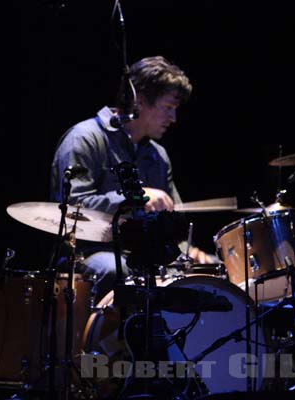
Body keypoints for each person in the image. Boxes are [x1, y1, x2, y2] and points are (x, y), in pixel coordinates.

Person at [50, 55, 217, 300]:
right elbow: (71, 207)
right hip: (89, 253)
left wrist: (187, 252)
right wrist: (135, 198)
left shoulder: (158, 156)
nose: (173, 119)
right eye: (168, 108)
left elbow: (173, 219)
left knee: (210, 272)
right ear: (138, 101)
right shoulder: (84, 139)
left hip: (145, 257)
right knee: (120, 270)